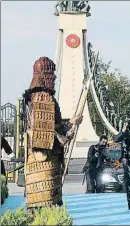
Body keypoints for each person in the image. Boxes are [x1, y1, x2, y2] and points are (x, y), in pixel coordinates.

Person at [23, 57, 82, 211]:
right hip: (45, 157)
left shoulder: (33, 97)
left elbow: (50, 125)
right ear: (43, 75)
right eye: (51, 74)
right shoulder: (43, 97)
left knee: (42, 203)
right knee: (45, 203)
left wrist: (70, 122)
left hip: (38, 157)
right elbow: (48, 133)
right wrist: (71, 125)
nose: (54, 78)